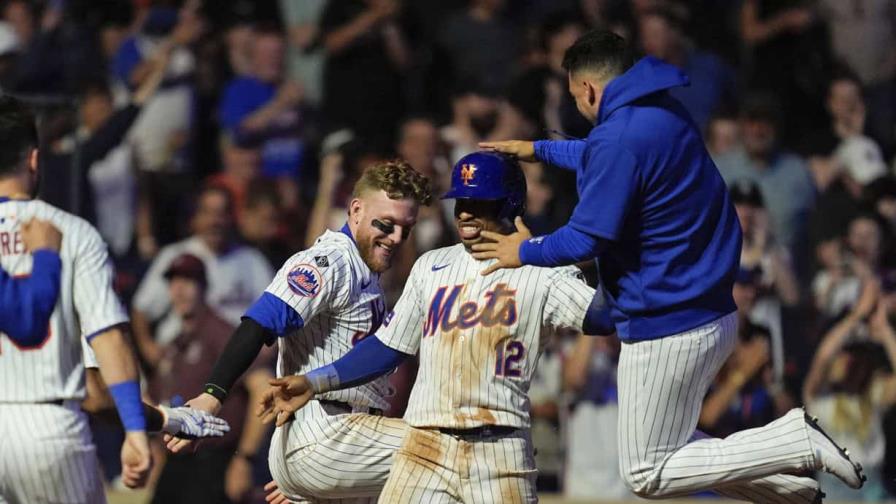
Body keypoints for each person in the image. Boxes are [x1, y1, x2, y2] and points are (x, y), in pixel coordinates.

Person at [476, 30, 862, 501]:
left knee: (645, 473)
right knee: (672, 451)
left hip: (667, 323)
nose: (577, 106)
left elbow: (587, 237)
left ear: (590, 90)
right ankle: (788, 492)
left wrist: (524, 251)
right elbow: (605, 154)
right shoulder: (661, 113)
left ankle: (792, 439)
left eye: (576, 96)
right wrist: (538, 149)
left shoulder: (619, 138)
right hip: (709, 312)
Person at [257, 152, 600, 503]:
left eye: (479, 202)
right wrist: (315, 382)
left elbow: (601, 317)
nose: (465, 211)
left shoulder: (543, 266)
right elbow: (388, 347)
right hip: (426, 447)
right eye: (461, 200)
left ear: (510, 204)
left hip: (500, 448)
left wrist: (615, 251)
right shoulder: (432, 265)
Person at [167, 161, 431, 503]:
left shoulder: (365, 270)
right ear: (355, 210)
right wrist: (211, 397)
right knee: (445, 451)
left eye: (404, 229)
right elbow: (259, 324)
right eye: (386, 224)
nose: (395, 237)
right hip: (327, 430)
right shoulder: (328, 261)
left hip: (344, 440)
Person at [0, 95, 142, 501]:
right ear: (33, 160)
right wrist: (134, 429)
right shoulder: (71, 232)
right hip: (49, 425)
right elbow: (108, 338)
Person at [148, 254, 274, 504]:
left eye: (188, 281)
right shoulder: (175, 343)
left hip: (215, 462)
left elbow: (263, 388)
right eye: (173, 282)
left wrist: (244, 459)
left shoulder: (221, 334)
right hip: (178, 461)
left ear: (204, 287)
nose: (179, 290)